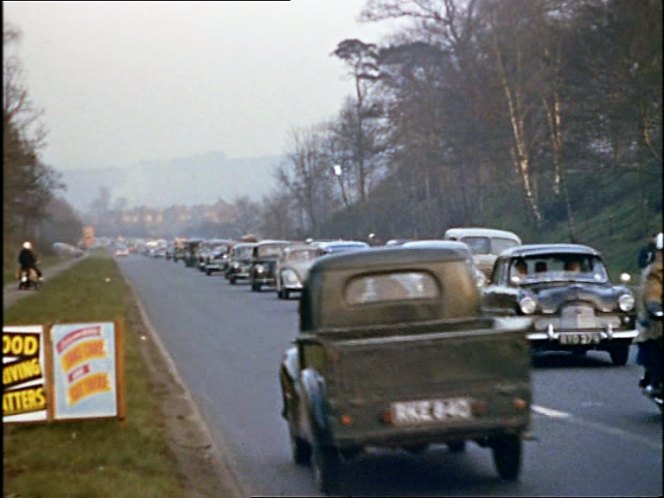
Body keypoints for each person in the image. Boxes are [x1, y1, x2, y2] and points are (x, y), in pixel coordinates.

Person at [634, 232, 663, 395]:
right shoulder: (655, 272)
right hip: (659, 321)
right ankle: (656, 381)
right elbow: (653, 289)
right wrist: (654, 305)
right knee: (656, 344)